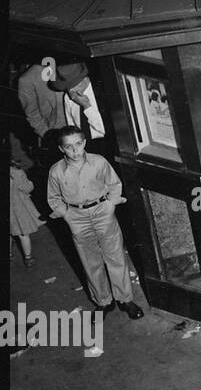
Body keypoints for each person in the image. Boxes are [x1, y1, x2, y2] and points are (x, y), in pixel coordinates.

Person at [46, 127, 143, 323]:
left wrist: (110, 205)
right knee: (90, 261)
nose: (75, 150)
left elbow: (114, 184)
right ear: (61, 149)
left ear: (85, 143)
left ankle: (125, 299)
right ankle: (104, 301)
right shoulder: (56, 171)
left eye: (78, 144)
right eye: (68, 147)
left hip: (102, 212)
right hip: (77, 217)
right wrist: (67, 215)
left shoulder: (99, 162)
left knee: (115, 256)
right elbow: (53, 197)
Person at [10, 156, 40, 268]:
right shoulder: (16, 171)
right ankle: (28, 258)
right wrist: (31, 183)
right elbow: (26, 188)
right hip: (17, 209)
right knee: (23, 234)